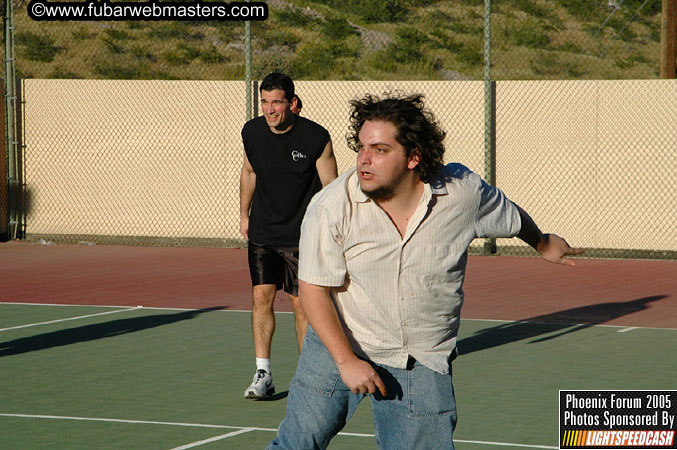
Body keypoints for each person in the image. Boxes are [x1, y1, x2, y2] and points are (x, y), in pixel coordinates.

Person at [267, 92, 584, 448]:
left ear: (414, 157)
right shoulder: (331, 207)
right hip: (340, 340)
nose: (364, 160)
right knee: (296, 443)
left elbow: (509, 214)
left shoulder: (461, 193)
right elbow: (312, 291)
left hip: (421, 355)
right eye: (362, 147)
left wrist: (541, 243)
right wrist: (346, 361)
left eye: (381, 150)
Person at [239, 72, 338, 400]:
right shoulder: (252, 132)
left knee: (302, 305)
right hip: (263, 231)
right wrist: (244, 215)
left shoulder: (316, 138)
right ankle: (263, 373)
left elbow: (331, 190)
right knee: (260, 298)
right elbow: (249, 171)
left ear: (293, 103)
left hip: (302, 237)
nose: (269, 109)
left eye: (276, 102)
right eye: (264, 102)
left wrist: (330, 232)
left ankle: (306, 377)